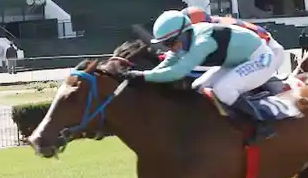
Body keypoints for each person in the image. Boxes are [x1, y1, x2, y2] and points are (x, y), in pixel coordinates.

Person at [122, 10, 285, 141]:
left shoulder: (203, 42)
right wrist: (142, 75)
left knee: (224, 89)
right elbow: (167, 64)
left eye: (171, 43)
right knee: (198, 87)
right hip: (237, 62)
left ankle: (262, 125)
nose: (169, 48)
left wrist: (142, 76)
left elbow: (178, 71)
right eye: (166, 44)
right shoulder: (187, 39)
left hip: (261, 58)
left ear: (184, 33)